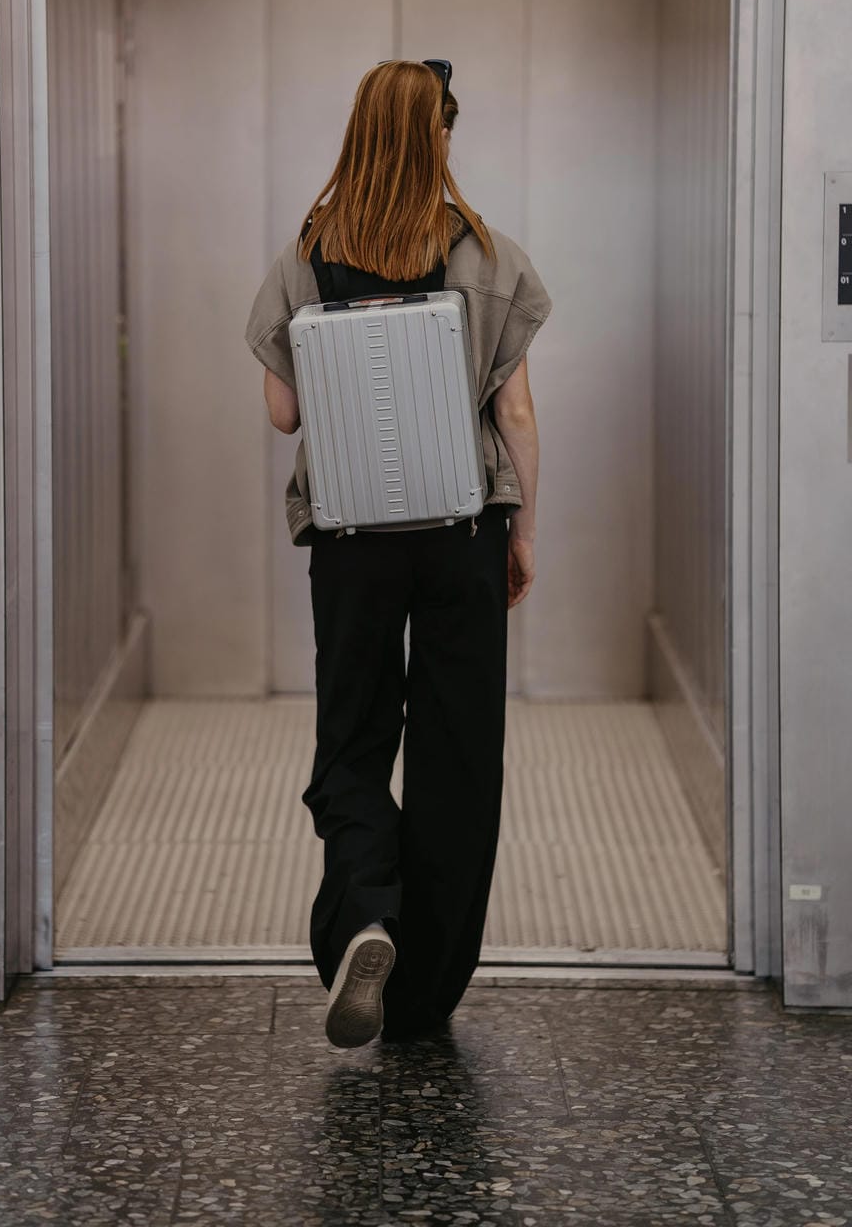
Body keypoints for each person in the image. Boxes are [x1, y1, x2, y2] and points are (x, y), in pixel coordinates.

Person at [244, 60, 551, 1048]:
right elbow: (514, 410)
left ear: (357, 133)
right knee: (458, 752)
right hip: (462, 531)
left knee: (352, 734)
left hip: (351, 538)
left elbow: (284, 410)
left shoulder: (306, 251)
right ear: (438, 138)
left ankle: (365, 911)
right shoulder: (486, 252)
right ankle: (423, 995)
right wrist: (524, 532)